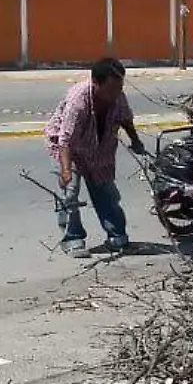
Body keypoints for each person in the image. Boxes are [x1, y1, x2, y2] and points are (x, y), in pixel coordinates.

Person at [46, 58, 147, 255]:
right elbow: (65, 139)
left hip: (99, 150)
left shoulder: (118, 96)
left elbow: (126, 119)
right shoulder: (79, 100)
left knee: (106, 193)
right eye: (111, 89)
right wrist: (66, 171)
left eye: (120, 87)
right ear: (96, 83)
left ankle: (117, 236)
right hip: (69, 150)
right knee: (70, 193)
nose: (116, 93)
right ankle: (73, 238)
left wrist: (135, 141)